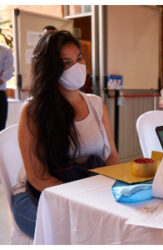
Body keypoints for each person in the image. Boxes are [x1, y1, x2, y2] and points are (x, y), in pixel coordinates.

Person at [12, 30, 120, 238]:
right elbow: (38, 177)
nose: (77, 67)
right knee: (74, 233)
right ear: (51, 69)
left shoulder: (96, 104)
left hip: (83, 186)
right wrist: (82, 201)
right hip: (39, 194)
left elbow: (112, 157)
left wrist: (114, 190)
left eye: (78, 58)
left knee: (113, 227)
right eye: (66, 63)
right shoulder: (34, 111)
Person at [0, 44, 14, 131]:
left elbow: (7, 74)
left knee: (0, 130)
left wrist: (1, 76)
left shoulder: (5, 51)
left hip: (0, 96)